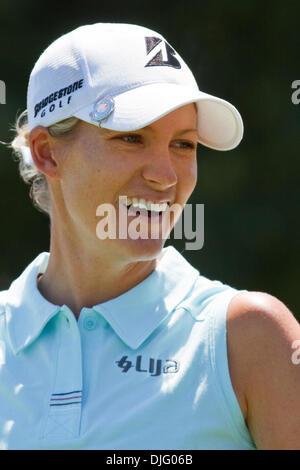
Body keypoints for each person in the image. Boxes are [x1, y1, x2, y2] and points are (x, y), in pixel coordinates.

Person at [1, 22, 299, 451]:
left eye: (184, 145)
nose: (165, 176)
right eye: (131, 137)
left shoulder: (252, 338)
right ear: (47, 152)